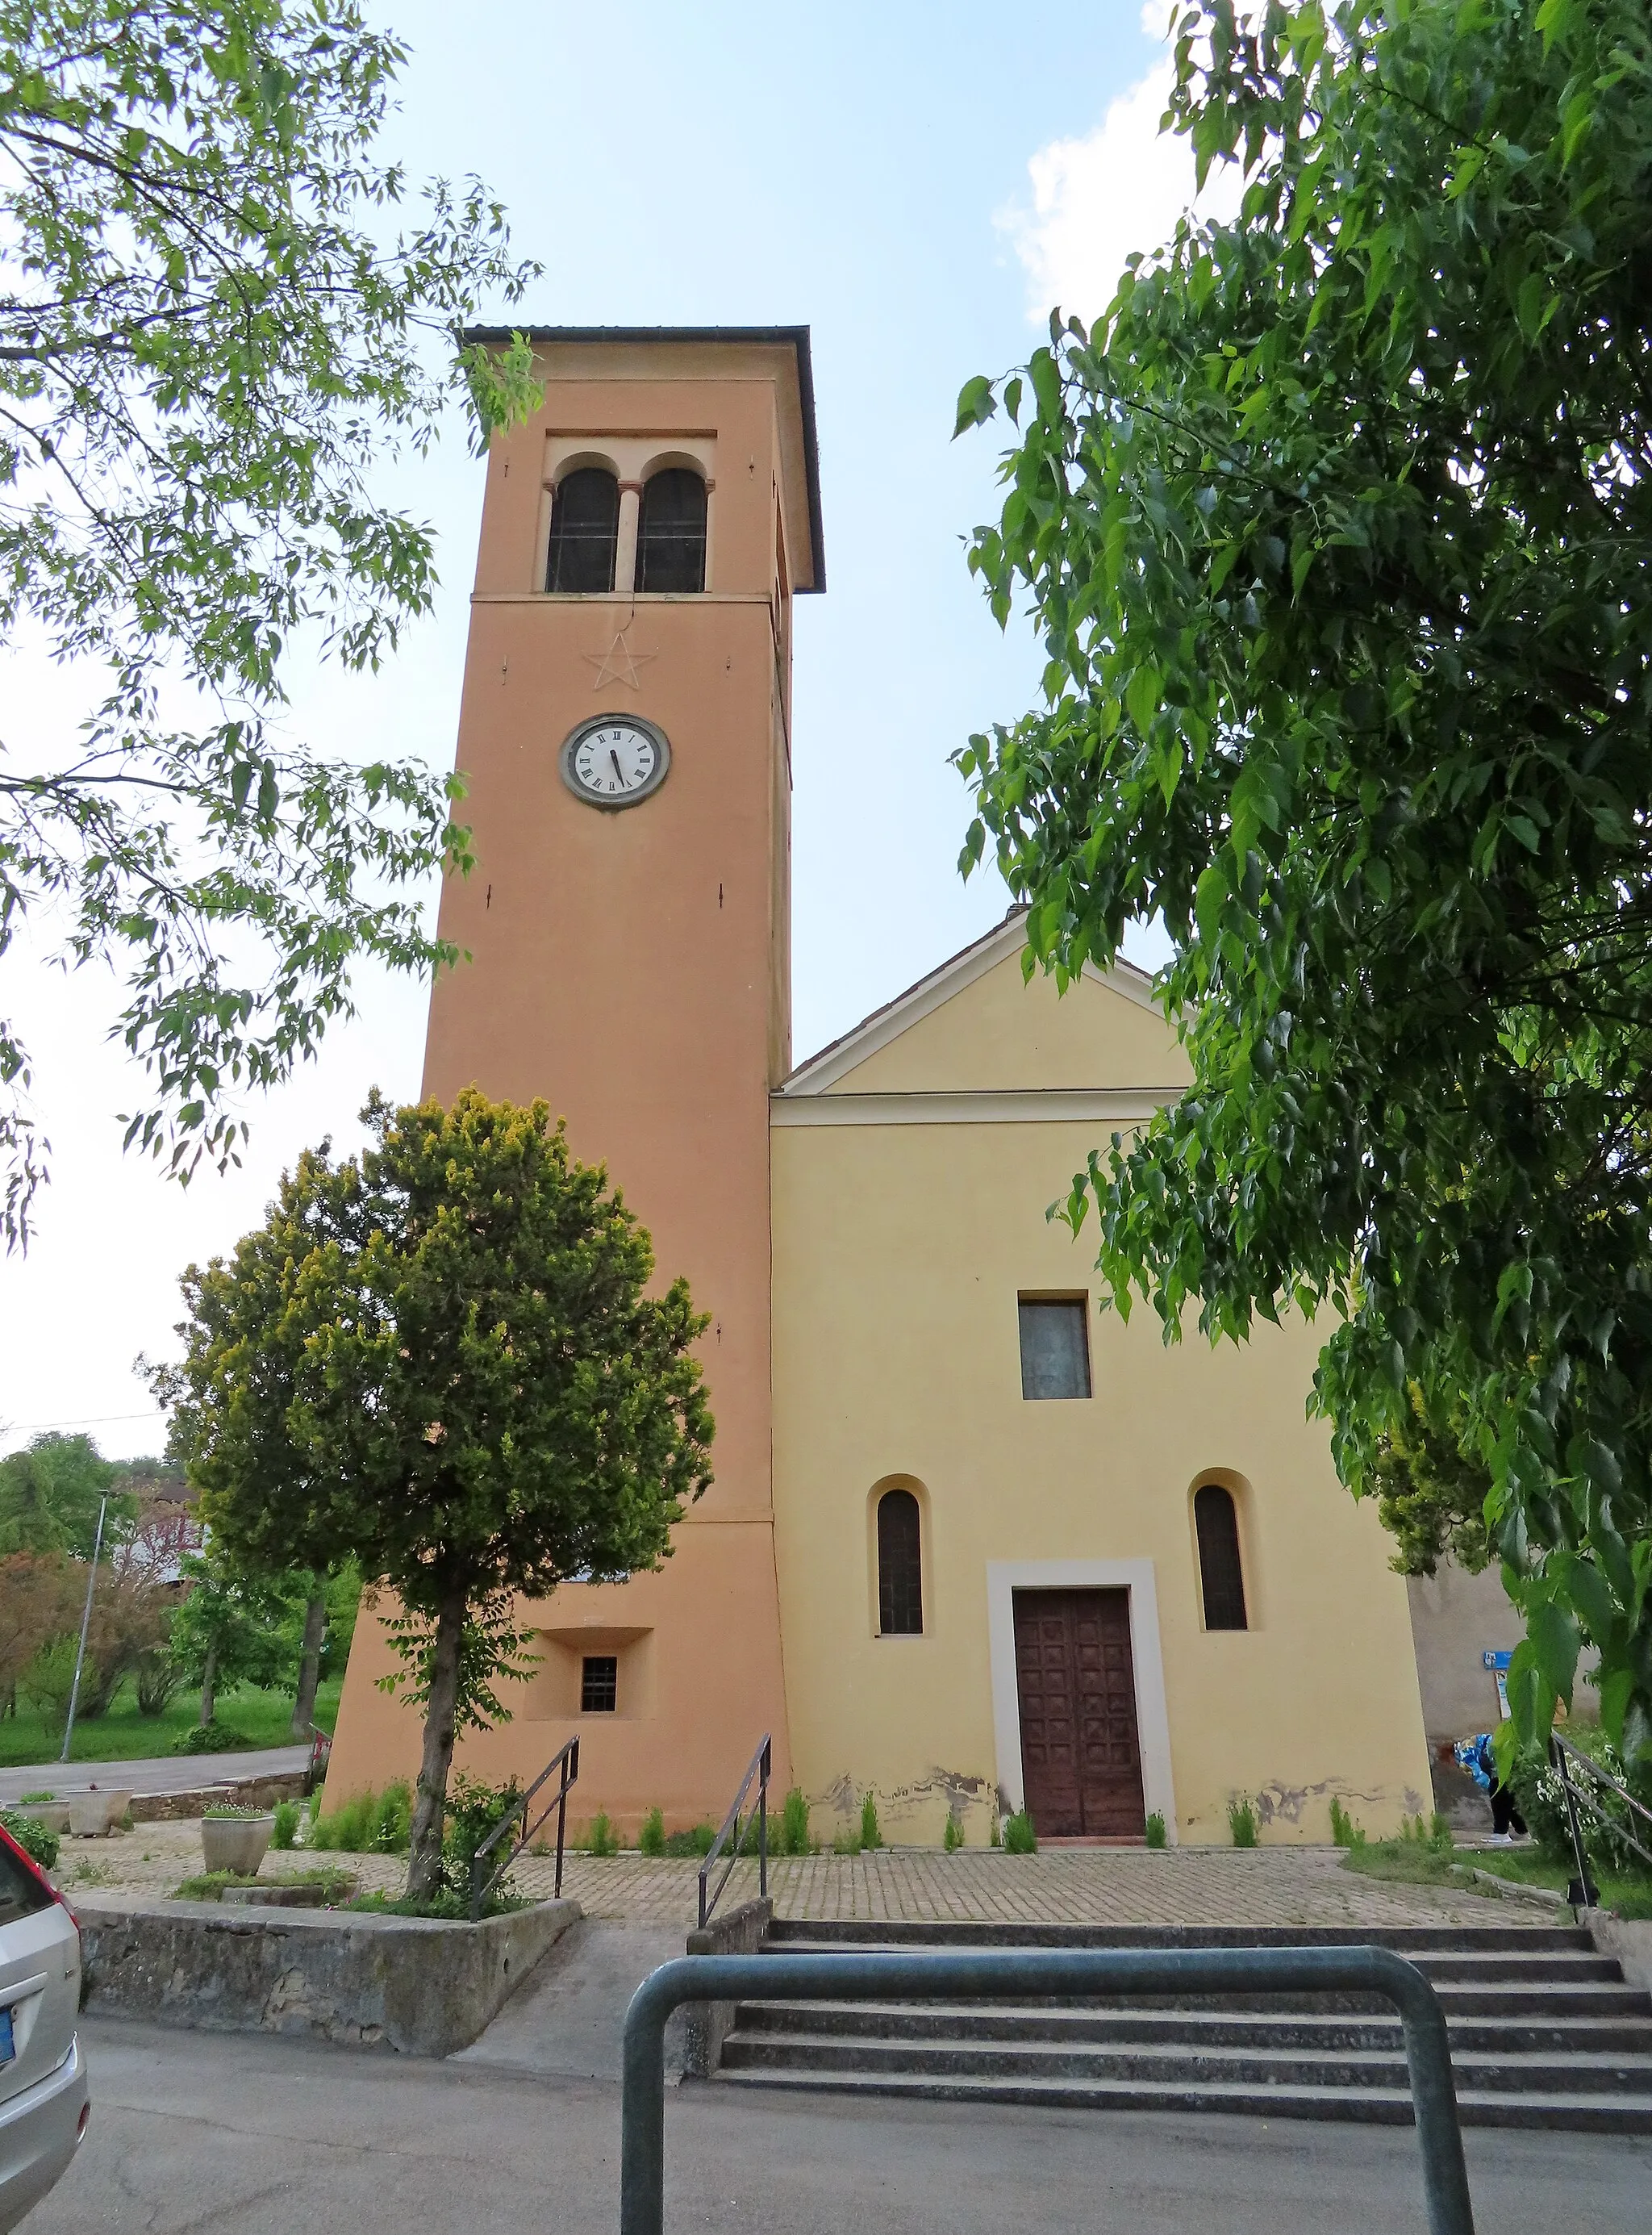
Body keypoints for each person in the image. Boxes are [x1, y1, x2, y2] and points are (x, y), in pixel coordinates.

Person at [1454, 1732, 1527, 1841]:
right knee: (1509, 1801)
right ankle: (1522, 1831)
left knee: (1499, 1797)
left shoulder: (1467, 1755)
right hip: (1509, 1765)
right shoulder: (1481, 1742)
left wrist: (1489, 1784)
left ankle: (1501, 1833)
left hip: (1502, 1767)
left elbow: (1479, 1774)